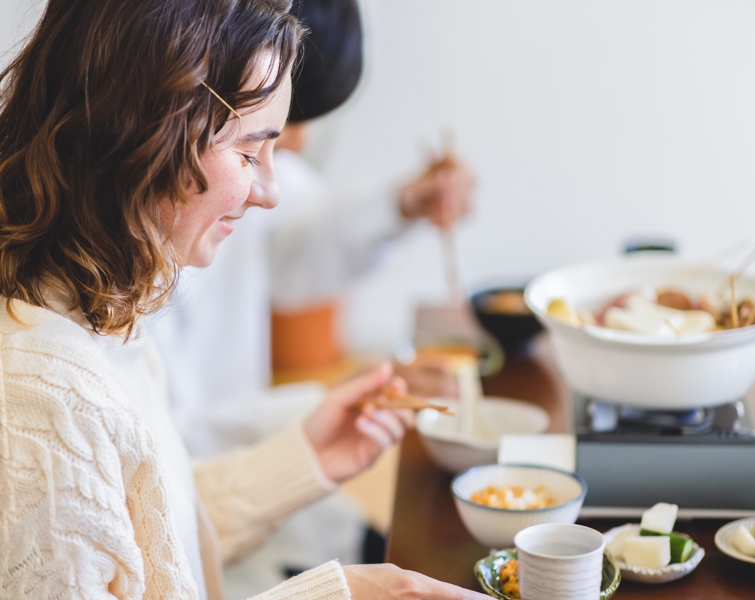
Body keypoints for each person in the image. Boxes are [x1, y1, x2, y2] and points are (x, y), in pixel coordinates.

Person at [0, 1, 490, 599]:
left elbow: (151, 538)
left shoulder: (107, 311)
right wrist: (339, 594)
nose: (272, 191)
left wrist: (306, 455)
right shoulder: (48, 391)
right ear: (153, 133)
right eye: (250, 153)